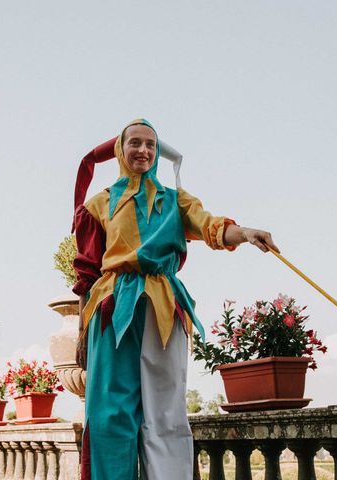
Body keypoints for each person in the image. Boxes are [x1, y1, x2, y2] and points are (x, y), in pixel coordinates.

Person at [71, 118, 279, 480]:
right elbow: (87, 275)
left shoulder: (175, 201)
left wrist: (244, 232)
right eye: (135, 143)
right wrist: (80, 334)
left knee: (165, 409)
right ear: (120, 150)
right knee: (109, 412)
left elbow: (210, 225)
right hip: (111, 308)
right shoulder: (98, 205)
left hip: (163, 306)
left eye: (150, 144)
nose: (143, 150)